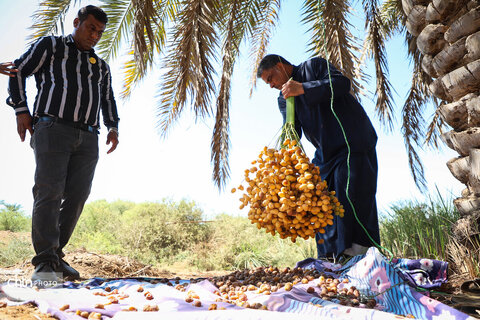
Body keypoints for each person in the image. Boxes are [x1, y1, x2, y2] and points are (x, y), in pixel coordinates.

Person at [6, 5, 119, 283]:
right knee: (49, 191)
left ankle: (56, 256)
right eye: (91, 28)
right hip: (52, 128)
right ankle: (45, 263)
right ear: (76, 22)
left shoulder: (101, 66)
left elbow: (108, 99)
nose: (95, 35)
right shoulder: (51, 46)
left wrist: (113, 126)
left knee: (77, 197)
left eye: (100, 32)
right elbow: (18, 71)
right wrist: (21, 110)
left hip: (89, 136)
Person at [257, 54, 380, 261]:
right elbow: (292, 132)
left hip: (352, 144)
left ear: (280, 66)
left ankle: (359, 255)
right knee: (319, 199)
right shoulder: (284, 99)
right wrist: (287, 168)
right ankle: (329, 257)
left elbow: (341, 83)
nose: (271, 85)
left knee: (350, 194)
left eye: (271, 78)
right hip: (325, 155)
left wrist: (304, 88)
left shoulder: (313, 66)